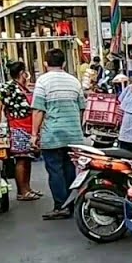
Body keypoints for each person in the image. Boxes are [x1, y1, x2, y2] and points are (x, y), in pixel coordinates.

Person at [31, 48, 87, 220]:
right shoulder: (74, 81)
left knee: (55, 171)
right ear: (63, 63)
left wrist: (34, 134)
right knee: (70, 169)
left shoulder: (42, 82)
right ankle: (70, 204)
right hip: (73, 135)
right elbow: (82, 108)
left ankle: (60, 206)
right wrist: (78, 127)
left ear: (46, 64)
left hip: (53, 135)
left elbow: (38, 110)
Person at [0, 61, 42, 202]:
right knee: (21, 159)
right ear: (22, 73)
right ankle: (22, 191)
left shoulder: (24, 87)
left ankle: (27, 188)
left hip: (29, 127)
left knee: (28, 159)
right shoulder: (8, 87)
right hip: (18, 128)